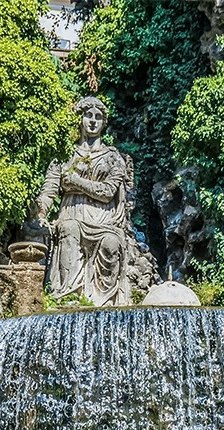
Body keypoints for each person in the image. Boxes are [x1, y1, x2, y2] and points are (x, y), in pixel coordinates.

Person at [34, 97, 140, 307]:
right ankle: (69, 295)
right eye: (88, 115)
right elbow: (50, 189)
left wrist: (75, 182)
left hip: (104, 221)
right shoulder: (64, 155)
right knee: (69, 229)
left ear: (103, 123)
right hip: (72, 215)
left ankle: (105, 301)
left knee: (110, 244)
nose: (92, 121)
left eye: (98, 117)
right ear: (80, 119)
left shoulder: (112, 157)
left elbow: (108, 191)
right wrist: (39, 211)